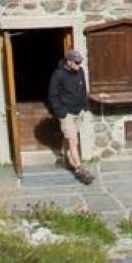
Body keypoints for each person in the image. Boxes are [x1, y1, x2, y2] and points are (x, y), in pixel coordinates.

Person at [47, 47, 95, 184]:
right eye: (77, 62)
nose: (79, 65)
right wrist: (61, 112)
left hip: (78, 111)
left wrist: (85, 106)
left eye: (80, 62)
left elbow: (83, 88)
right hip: (66, 113)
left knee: (70, 137)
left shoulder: (80, 72)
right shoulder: (58, 75)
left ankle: (63, 156)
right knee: (74, 141)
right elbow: (52, 95)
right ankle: (80, 169)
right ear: (69, 62)